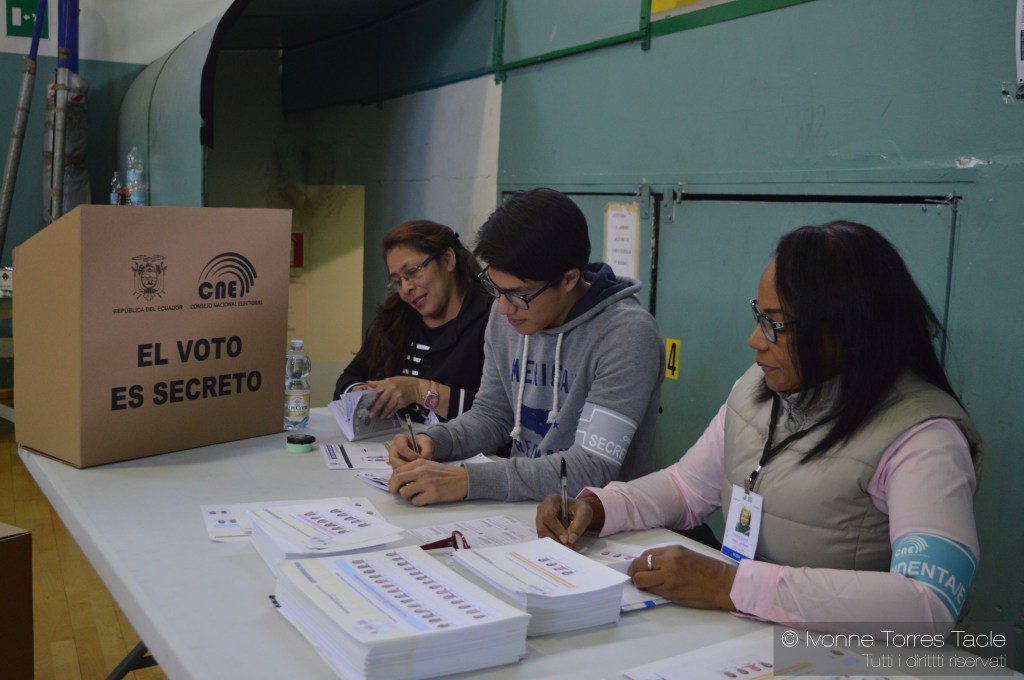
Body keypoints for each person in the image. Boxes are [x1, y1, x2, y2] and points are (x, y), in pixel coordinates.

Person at [537, 220, 982, 634]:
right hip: (754, 629)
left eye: (777, 325)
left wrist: (732, 584)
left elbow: (930, 602)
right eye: (759, 316)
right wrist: (597, 508)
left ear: (846, 332)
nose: (755, 340)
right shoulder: (761, 387)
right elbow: (687, 488)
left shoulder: (924, 438)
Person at [387, 188, 664, 505]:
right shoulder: (508, 313)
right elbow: (492, 416)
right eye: (495, 288)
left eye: (519, 294)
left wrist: (467, 481)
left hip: (600, 525)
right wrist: (433, 441)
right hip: (525, 511)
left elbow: (591, 469)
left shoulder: (626, 335)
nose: (503, 309)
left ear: (570, 279)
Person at [333, 220, 489, 423]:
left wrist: (419, 391)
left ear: (448, 259)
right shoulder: (395, 317)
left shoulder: (489, 319)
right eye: (398, 281)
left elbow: (496, 413)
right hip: (394, 447)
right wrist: (359, 392)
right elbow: (348, 379)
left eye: (413, 272)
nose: (406, 288)